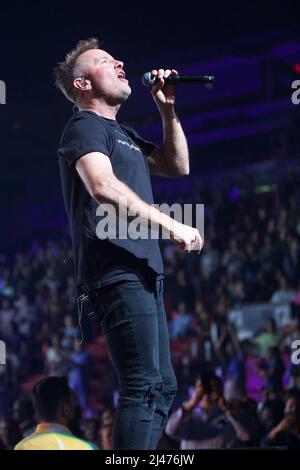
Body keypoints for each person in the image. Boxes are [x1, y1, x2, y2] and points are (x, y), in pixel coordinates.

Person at [54, 38, 202, 450]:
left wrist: (167, 109)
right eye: (105, 61)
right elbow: (101, 186)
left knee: (163, 387)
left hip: (142, 269)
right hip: (114, 269)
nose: (119, 61)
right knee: (142, 384)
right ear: (82, 84)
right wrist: (170, 225)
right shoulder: (84, 125)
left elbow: (178, 165)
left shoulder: (124, 134)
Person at [14, 376, 97, 450]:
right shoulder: (84, 447)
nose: (75, 407)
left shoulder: (21, 447)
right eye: (73, 402)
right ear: (66, 409)